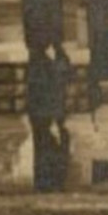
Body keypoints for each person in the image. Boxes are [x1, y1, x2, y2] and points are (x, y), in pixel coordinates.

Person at [27, 41, 71, 192]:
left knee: (52, 150)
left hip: (53, 112)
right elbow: (41, 90)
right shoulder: (39, 63)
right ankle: (46, 183)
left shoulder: (57, 59)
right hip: (44, 114)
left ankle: (52, 182)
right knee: (46, 149)